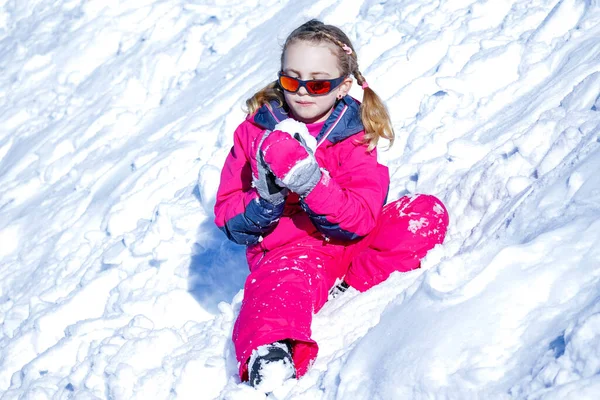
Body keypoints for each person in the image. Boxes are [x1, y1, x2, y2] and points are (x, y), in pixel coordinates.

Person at [213, 19, 449, 391]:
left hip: (349, 244)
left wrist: (311, 182)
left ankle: (348, 287)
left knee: (422, 214)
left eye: (318, 83)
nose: (303, 92)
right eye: (292, 80)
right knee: (279, 285)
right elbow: (229, 217)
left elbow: (359, 218)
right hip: (290, 249)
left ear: (342, 87)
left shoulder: (354, 135)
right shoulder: (256, 133)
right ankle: (270, 352)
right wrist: (267, 201)